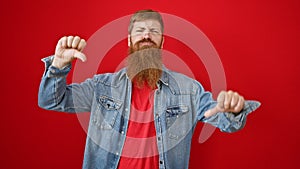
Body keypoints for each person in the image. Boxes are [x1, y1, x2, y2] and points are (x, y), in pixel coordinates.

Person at [38, 9, 260, 169]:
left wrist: (232, 110)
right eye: (140, 31)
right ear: (129, 40)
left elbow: (225, 121)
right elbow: (51, 100)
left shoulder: (188, 90)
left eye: (153, 31)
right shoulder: (101, 87)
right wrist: (58, 66)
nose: (146, 35)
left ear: (162, 43)